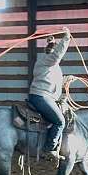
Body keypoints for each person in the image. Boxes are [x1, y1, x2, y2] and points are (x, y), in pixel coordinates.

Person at [28, 27, 71, 161]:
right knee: (60, 122)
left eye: (52, 46)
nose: (51, 49)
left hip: (45, 96)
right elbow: (57, 55)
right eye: (51, 47)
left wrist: (66, 79)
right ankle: (50, 149)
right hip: (41, 97)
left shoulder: (50, 65)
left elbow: (51, 80)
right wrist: (66, 37)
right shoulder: (47, 61)